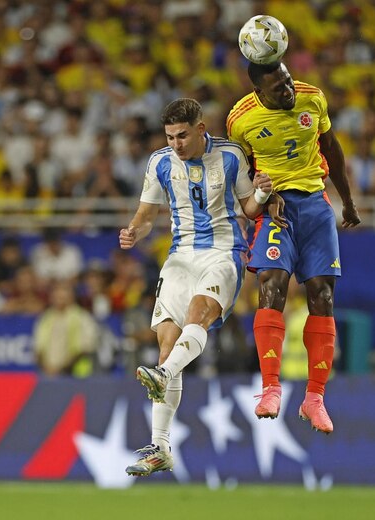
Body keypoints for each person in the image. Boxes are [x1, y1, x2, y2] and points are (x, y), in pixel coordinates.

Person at [119, 98, 272, 476]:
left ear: (201, 129)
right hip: (179, 256)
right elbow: (147, 212)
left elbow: (248, 208)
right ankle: (161, 447)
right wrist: (134, 231)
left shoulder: (231, 155)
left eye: (182, 135)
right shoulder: (160, 163)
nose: (176, 144)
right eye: (170, 137)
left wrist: (263, 194)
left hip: (224, 251)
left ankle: (165, 374)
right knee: (167, 341)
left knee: (196, 316)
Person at [226, 61, 361, 434]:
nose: (287, 90)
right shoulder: (240, 119)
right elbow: (242, 173)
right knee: (271, 283)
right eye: (278, 87)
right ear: (259, 91)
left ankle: (314, 398)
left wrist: (346, 200)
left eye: (287, 81)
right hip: (275, 207)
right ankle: (270, 388)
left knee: (323, 294)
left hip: (316, 204)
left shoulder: (312, 98)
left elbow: (331, 149)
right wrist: (263, 198)